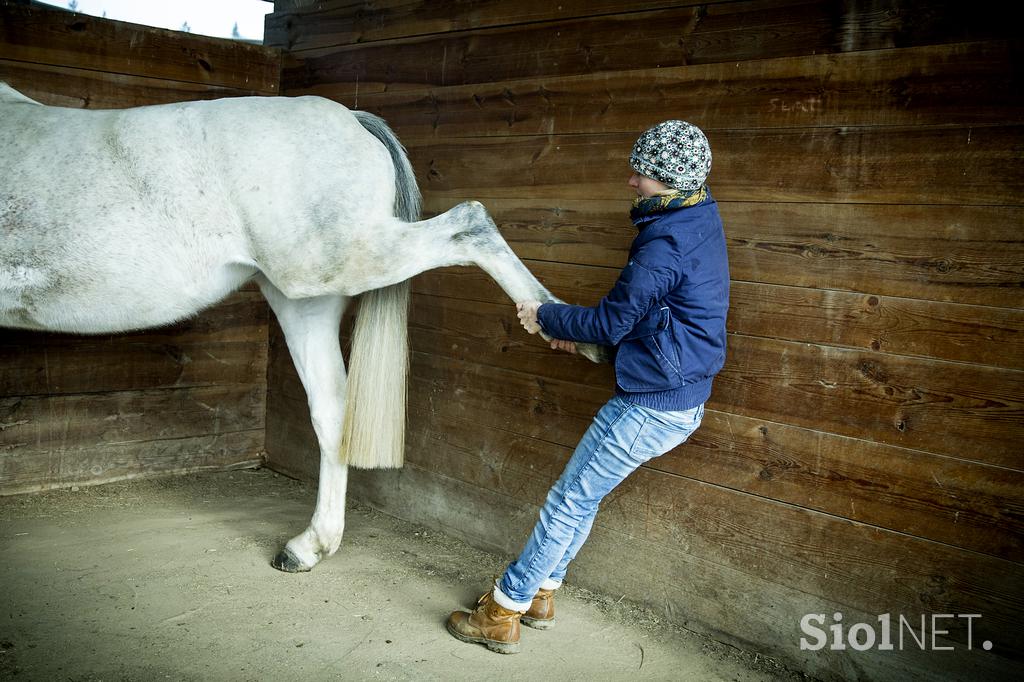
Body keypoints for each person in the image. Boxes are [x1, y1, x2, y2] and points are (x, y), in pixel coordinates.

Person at [446, 120, 730, 654]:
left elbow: (610, 322)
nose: (632, 181)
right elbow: (663, 317)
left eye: (642, 173)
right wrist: (578, 343)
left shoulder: (663, 243)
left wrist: (548, 316)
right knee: (583, 498)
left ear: (668, 179)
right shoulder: (699, 215)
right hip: (680, 394)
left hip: (651, 405)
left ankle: (503, 610)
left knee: (566, 502)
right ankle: (543, 593)